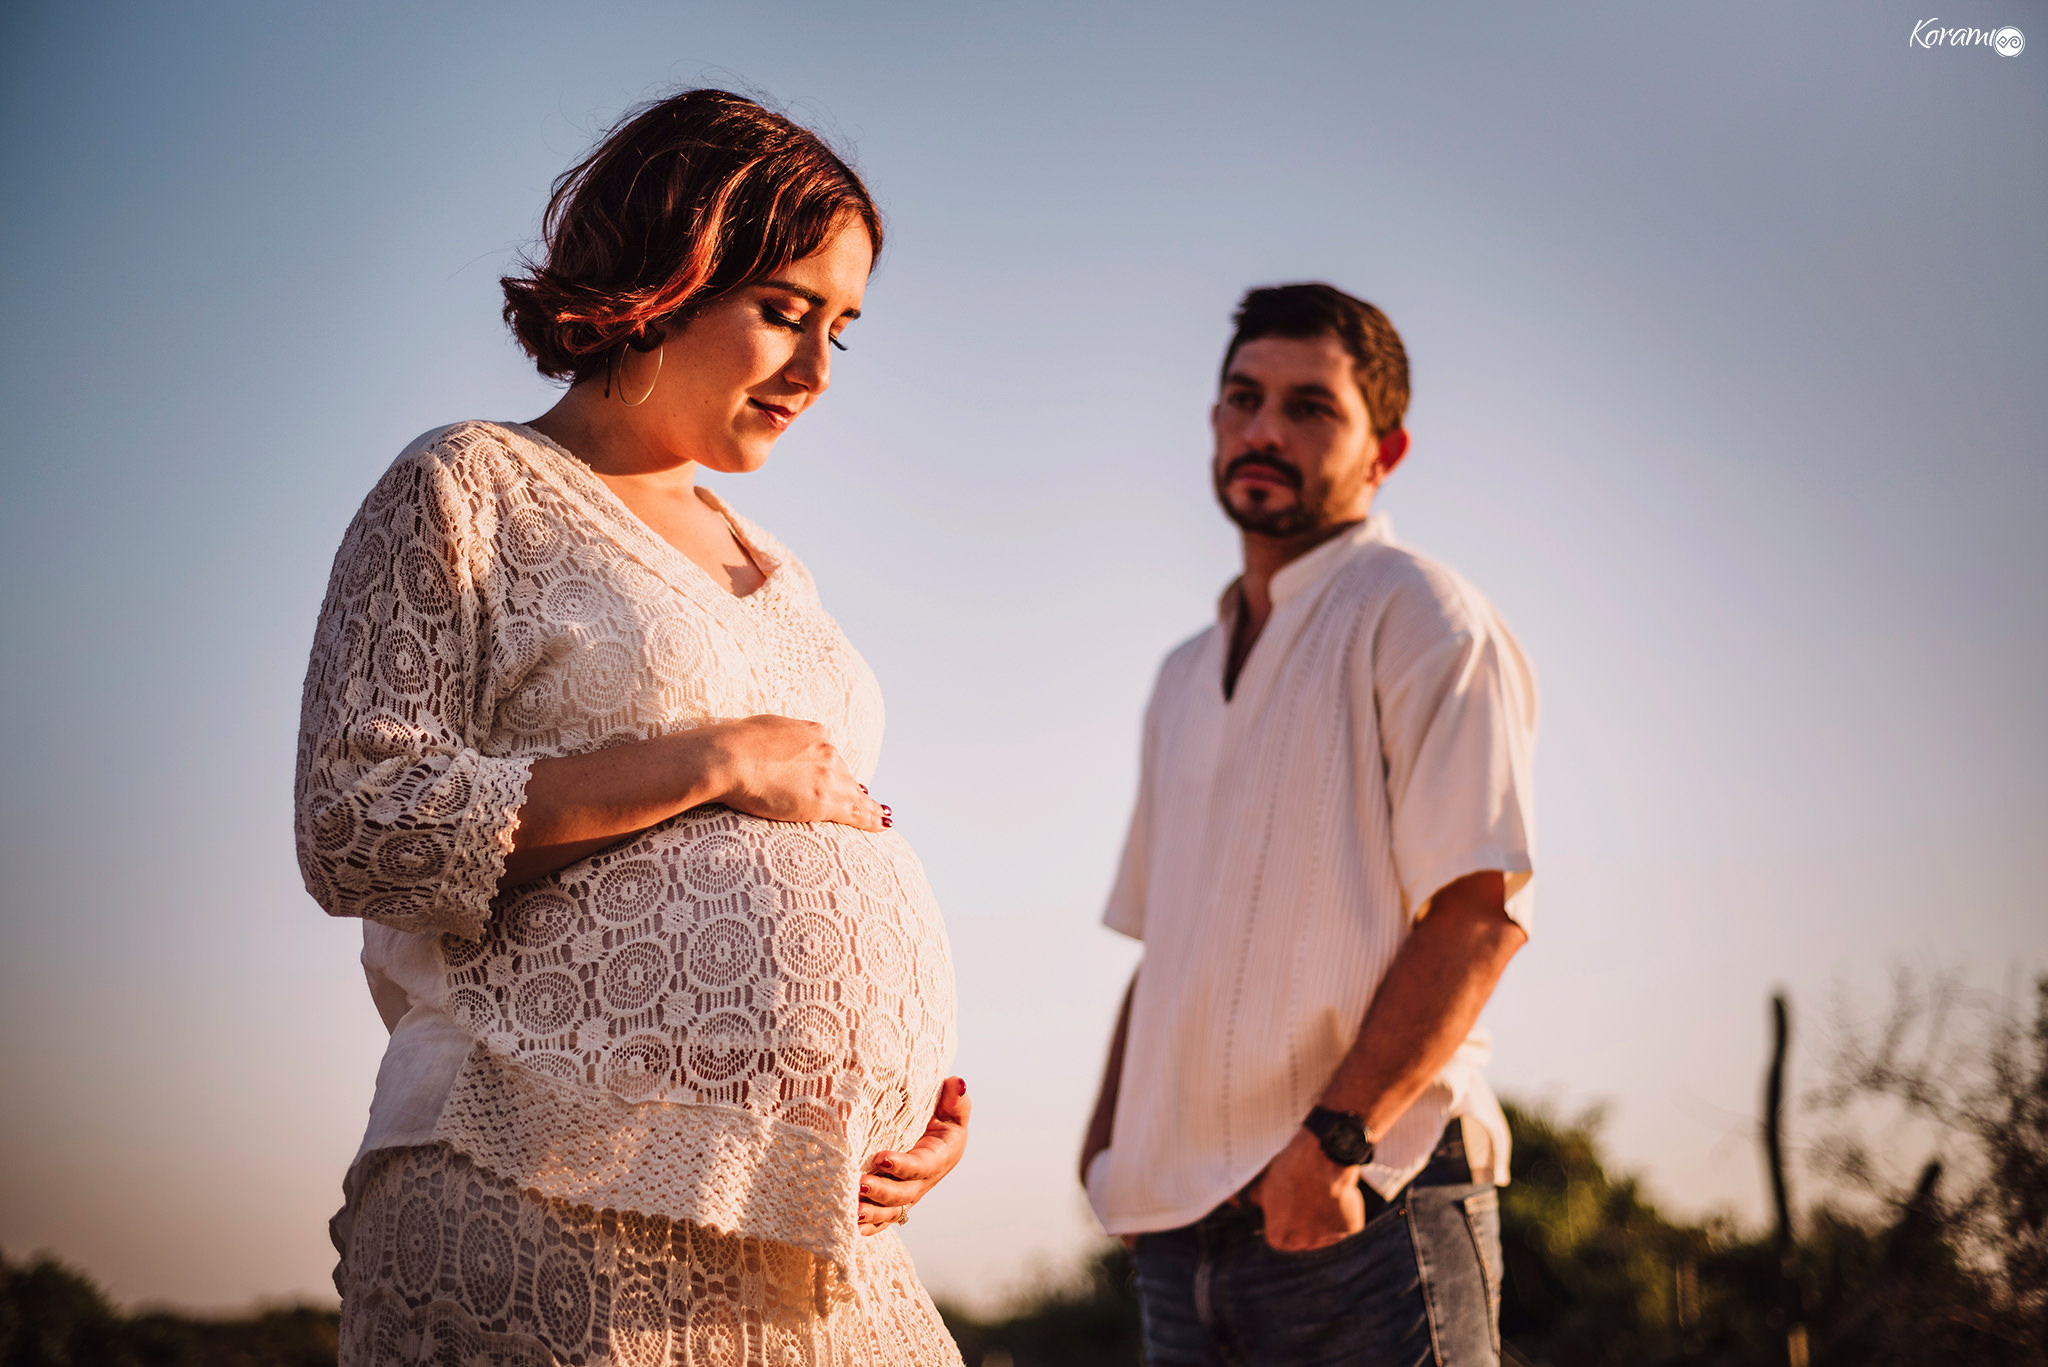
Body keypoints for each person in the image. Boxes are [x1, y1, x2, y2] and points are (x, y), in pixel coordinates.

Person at [295, 89, 968, 1367]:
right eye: (783, 310)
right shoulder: (472, 483)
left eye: (843, 330)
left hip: (812, 1222)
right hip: (543, 1183)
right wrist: (709, 761)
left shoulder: (781, 571)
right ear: (669, 269)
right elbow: (353, 827)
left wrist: (910, 1102)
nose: (819, 371)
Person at [1079, 284, 1538, 1366]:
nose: (1263, 429)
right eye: (1241, 398)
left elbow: (1475, 915)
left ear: (1385, 447)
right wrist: (1107, 1150)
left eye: (1309, 407)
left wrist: (1331, 1149)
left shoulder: (1419, 613)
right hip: (1179, 1230)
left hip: (1364, 1206)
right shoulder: (1180, 673)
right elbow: (1163, 946)